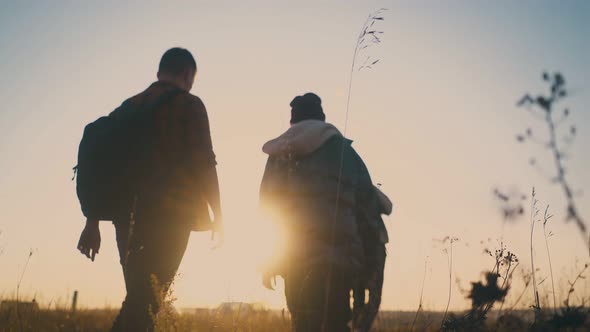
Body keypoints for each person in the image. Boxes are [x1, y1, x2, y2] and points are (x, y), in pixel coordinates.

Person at [76, 47, 223, 331]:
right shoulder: (189, 105)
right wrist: (219, 215)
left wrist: (92, 221)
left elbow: (102, 164)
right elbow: (205, 162)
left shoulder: (128, 108)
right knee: (145, 305)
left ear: (159, 73)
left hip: (125, 218)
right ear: (187, 74)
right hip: (171, 218)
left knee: (141, 301)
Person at [259, 92, 383, 332]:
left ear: (292, 122)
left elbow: (267, 209)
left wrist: (267, 262)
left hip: (293, 260)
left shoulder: (280, 154)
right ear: (323, 118)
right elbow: (368, 212)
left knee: (302, 323)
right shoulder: (347, 154)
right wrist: (371, 266)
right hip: (340, 262)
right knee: (335, 323)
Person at [352, 186, 391, 332]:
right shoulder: (369, 191)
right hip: (373, 249)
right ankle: (361, 328)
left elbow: (389, 207)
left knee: (359, 296)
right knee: (372, 296)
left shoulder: (350, 188)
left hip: (358, 248)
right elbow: (388, 207)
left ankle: (358, 327)